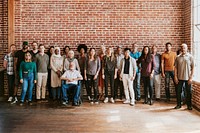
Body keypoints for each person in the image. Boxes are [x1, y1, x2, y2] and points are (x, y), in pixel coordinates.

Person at [174, 43, 194, 110]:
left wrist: (191, 77)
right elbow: (175, 68)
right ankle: (178, 105)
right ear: (181, 49)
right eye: (182, 48)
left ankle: (189, 105)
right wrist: (175, 77)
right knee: (178, 92)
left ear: (187, 48)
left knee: (189, 92)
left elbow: (193, 67)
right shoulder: (177, 57)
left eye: (184, 47)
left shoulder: (190, 57)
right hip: (179, 78)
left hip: (188, 78)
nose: (183, 49)